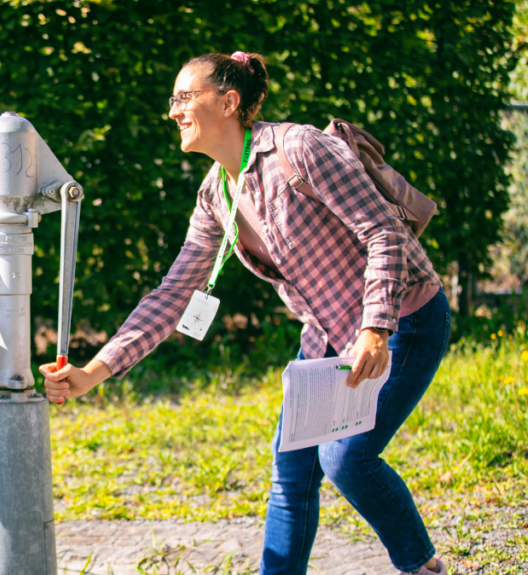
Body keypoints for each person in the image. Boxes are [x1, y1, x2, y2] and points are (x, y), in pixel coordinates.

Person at [39, 51, 451, 575]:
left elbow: (383, 231)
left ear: (229, 102)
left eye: (185, 97)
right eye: (174, 100)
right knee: (292, 471)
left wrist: (375, 328)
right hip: (328, 338)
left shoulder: (300, 148)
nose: (174, 111)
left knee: (347, 459)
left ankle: (423, 566)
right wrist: (94, 372)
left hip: (405, 319)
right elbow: (172, 295)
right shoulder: (215, 195)